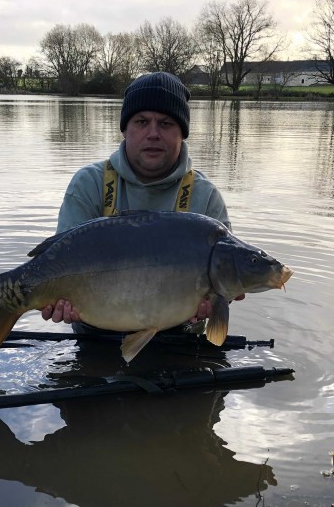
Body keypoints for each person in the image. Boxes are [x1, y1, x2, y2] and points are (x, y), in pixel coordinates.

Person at [42, 71, 238, 326]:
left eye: (166, 123)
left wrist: (221, 300)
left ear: (182, 133)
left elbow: (227, 280)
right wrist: (56, 301)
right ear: (125, 130)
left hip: (181, 336)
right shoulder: (89, 183)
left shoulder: (206, 197)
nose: (153, 133)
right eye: (142, 121)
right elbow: (58, 261)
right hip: (95, 333)